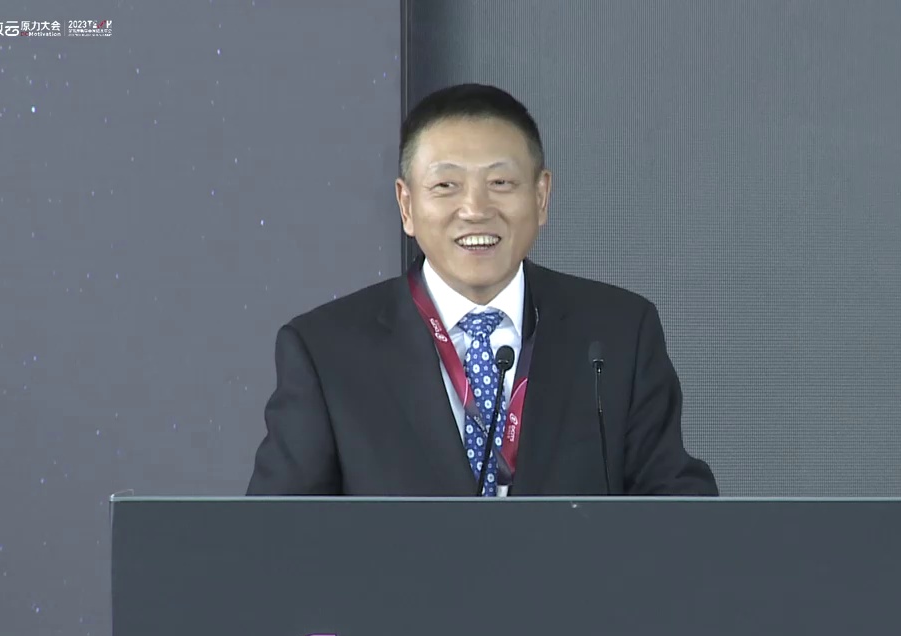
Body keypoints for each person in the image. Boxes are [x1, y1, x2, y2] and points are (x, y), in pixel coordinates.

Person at [246, 83, 716, 497]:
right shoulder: (326, 350)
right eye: (446, 185)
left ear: (541, 196)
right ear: (406, 205)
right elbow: (277, 537)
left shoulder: (618, 332)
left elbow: (678, 506)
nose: (475, 209)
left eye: (500, 182)